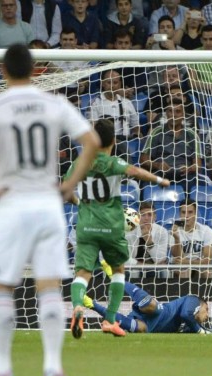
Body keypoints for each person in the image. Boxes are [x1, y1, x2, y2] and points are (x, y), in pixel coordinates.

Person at [0, 44, 100, 376]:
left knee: (1, 286)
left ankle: (1, 367)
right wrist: (69, 184)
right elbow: (93, 142)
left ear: (4, 70)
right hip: (47, 203)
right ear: (35, 69)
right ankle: (53, 367)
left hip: (12, 203)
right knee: (49, 285)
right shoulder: (54, 103)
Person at [66, 118, 171, 340]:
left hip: (86, 226)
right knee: (118, 271)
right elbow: (134, 171)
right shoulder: (113, 162)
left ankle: (77, 306)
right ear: (114, 140)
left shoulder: (80, 163)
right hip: (111, 227)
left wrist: (80, 203)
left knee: (83, 273)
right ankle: (111, 320)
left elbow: (64, 191)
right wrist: (159, 179)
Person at [82, 271, 212, 334]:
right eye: (207, 311)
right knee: (154, 306)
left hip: (151, 325)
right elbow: (185, 314)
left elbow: (210, 332)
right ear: (202, 305)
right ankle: (115, 277)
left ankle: (91, 304)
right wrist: (200, 331)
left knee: (141, 329)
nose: (207, 316)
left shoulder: (192, 326)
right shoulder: (193, 300)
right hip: (157, 310)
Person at [170, 199, 212, 279]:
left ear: (195, 214)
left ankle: (208, 292)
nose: (186, 216)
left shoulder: (206, 230)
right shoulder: (174, 230)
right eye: (183, 212)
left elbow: (207, 261)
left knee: (208, 271)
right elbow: (177, 257)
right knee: (185, 270)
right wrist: (177, 238)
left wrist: (188, 262)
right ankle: (183, 292)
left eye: (190, 212)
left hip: (199, 266)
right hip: (181, 267)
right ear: (179, 214)